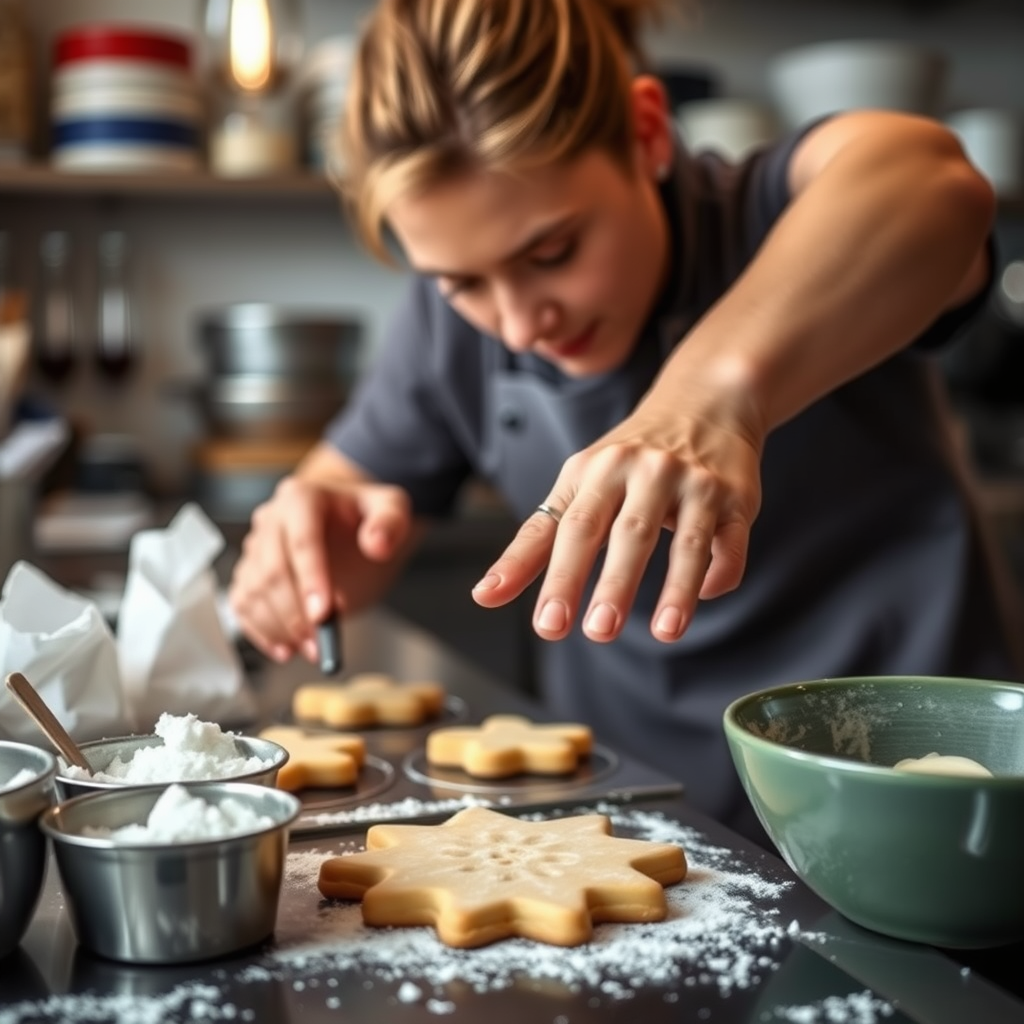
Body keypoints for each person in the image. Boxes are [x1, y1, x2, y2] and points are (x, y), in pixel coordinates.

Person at [229, 0, 1023, 839]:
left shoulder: (768, 213)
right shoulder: (447, 328)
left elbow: (933, 180)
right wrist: (311, 558)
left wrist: (712, 396)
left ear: (647, 133)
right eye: (461, 282)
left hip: (912, 797)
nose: (519, 322)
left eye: (553, 252)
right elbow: (348, 503)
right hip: (640, 814)